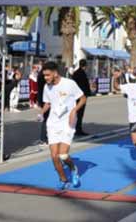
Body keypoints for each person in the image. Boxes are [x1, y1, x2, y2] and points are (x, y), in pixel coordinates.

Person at [38, 61, 86, 190]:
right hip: (53, 123)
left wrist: (74, 110)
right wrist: (42, 113)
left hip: (67, 123)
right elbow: (47, 103)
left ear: (55, 73)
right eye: (44, 76)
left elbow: (83, 98)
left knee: (63, 155)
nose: (45, 78)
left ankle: (73, 168)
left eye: (48, 75)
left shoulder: (69, 84)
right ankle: (63, 179)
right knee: (54, 156)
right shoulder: (46, 87)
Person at [71, 59, 92, 136]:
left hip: (75, 95)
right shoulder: (82, 73)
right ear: (85, 65)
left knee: (76, 111)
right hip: (81, 95)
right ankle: (78, 129)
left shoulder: (75, 73)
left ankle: (74, 127)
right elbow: (85, 85)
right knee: (80, 113)